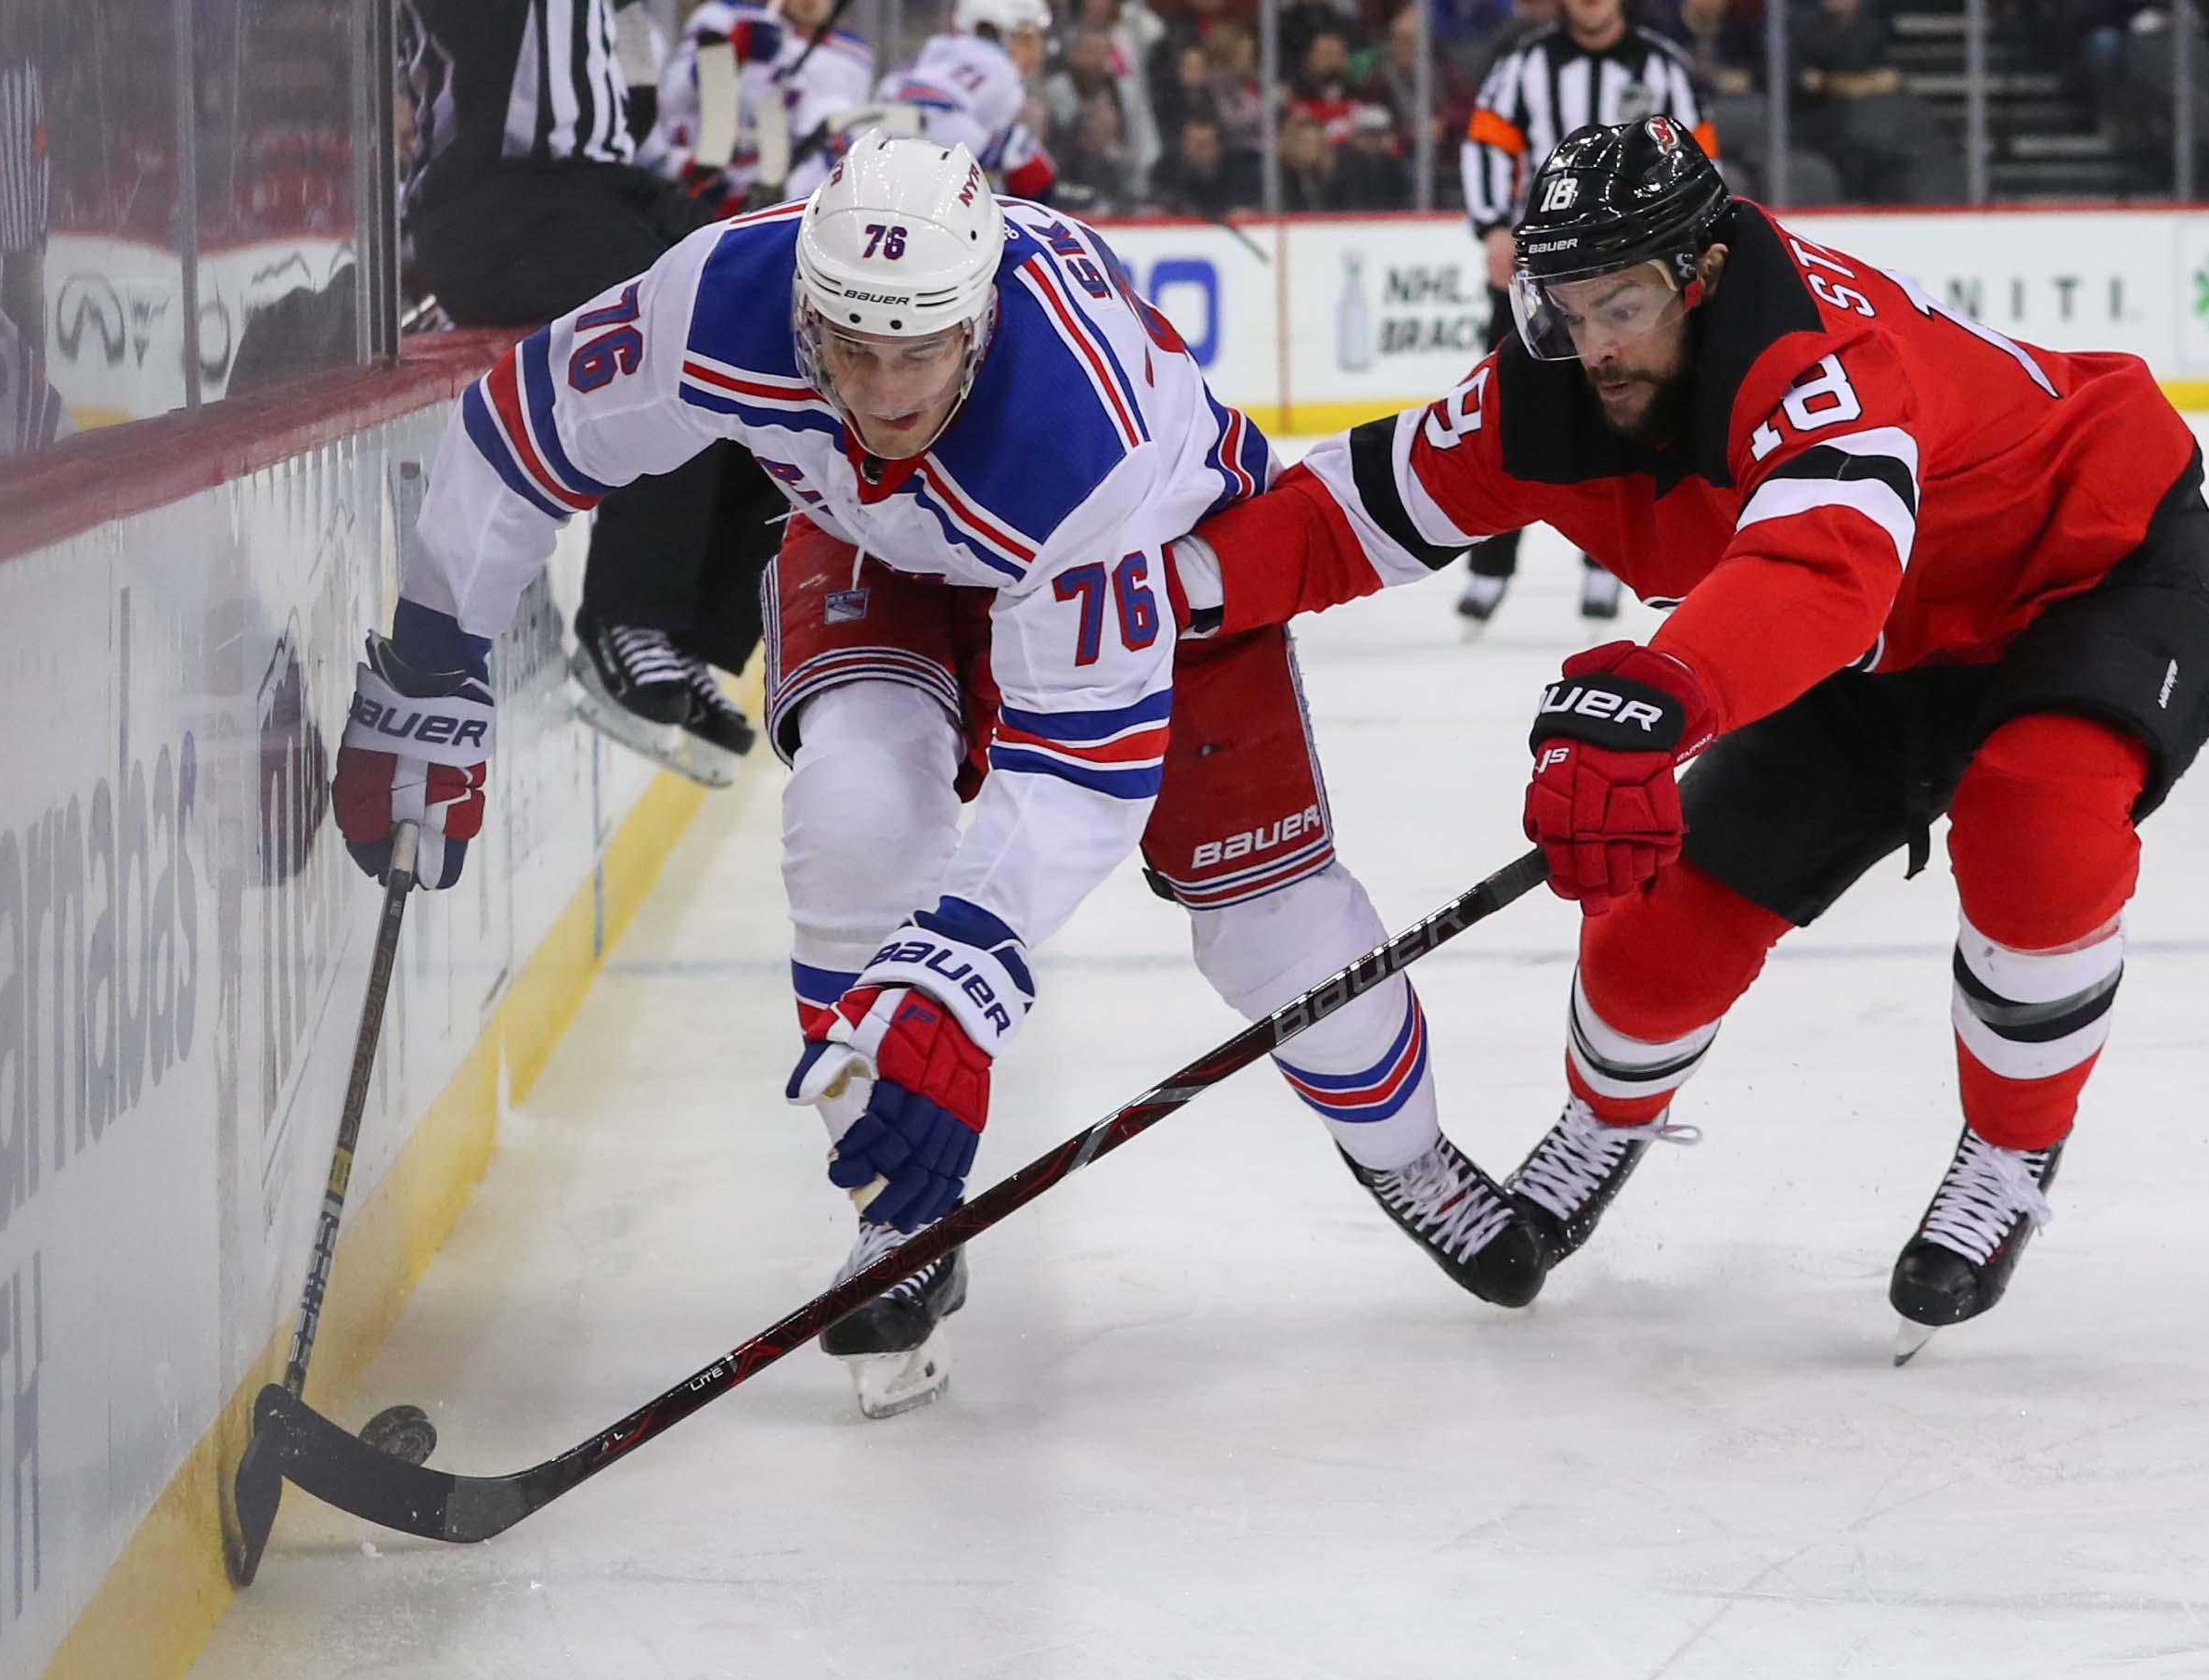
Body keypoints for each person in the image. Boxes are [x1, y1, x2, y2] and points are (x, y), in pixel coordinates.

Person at [330, 136, 1548, 1421]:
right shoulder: (721, 296)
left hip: (1161, 559)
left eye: (918, 351)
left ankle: (1409, 1156)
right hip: (883, 544)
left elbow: (1081, 761)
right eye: (848, 345)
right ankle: (897, 1211)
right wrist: (431, 656)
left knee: (1276, 938)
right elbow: (522, 429)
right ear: (805, 302)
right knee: (856, 809)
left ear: (980, 318)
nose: (879, 387)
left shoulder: (1082, 439)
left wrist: (962, 978)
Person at [1169, 118, 2209, 1359]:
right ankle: (1602, 1119)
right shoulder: (1555, 382)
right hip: (1874, 644)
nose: (1593, 347)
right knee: (1654, 937)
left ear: (1707, 272)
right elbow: (1347, 515)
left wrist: (1663, 689)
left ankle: (2010, 1146)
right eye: (1563, 306)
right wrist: (1158, 592)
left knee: (2038, 819)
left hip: (2090, 568)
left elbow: (1823, 564)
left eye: (1621, 303)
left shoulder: (1814, 357)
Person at [399, 0, 775, 786]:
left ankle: (690, 635)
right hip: (493, 200)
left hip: (604, 187)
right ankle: (627, 619)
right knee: (674, 327)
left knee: (766, 310)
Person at [1459, 0, 1701, 633]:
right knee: (1511, 407)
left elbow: (1696, 159)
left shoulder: (1661, 66)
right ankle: (1491, 564)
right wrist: (1490, 227)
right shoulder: (1524, 64)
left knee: (1626, 410)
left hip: (1630, 278)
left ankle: (1609, 561)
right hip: (1541, 271)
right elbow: (1486, 143)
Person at [639, 0, 878, 211]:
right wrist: (730, 53)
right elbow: (673, 97)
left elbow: (842, 130)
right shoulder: (724, 16)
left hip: (792, 189)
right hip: (708, 183)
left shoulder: (854, 54)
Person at [875, 0, 1061, 200]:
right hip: (944, 129)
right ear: (1006, 32)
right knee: (1033, 167)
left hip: (881, 128)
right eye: (1027, 38)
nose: (1035, 50)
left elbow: (887, 91)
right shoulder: (1004, 71)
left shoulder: (937, 46)